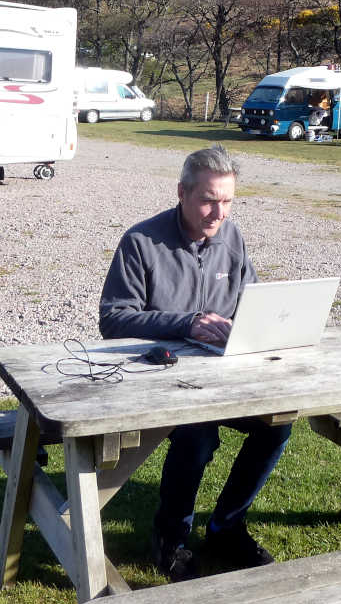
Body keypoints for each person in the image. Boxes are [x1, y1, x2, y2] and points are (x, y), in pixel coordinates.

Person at [99, 144, 290, 580]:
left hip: (224, 375)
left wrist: (264, 325)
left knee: (277, 424)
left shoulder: (232, 236)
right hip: (162, 380)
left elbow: (252, 301)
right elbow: (113, 320)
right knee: (197, 435)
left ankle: (225, 527)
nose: (217, 213)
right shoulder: (141, 242)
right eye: (208, 200)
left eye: (226, 201)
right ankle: (171, 537)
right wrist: (186, 323)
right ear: (182, 192)